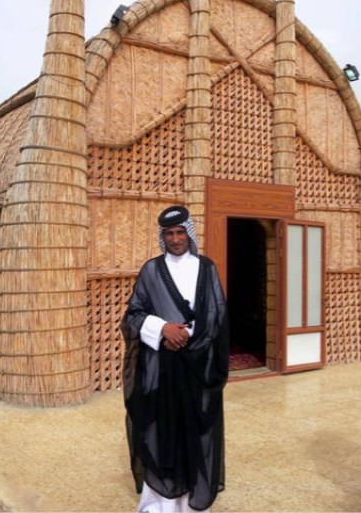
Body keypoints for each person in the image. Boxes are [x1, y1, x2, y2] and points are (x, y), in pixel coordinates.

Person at [121, 205, 229, 512]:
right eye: (169, 233)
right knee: (161, 430)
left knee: (196, 430)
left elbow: (217, 315)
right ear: (162, 237)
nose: (175, 238)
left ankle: (192, 502)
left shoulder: (206, 268)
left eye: (180, 232)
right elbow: (133, 315)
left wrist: (189, 338)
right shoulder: (151, 270)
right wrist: (163, 329)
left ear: (189, 233)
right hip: (161, 368)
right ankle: (159, 503)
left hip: (198, 368)